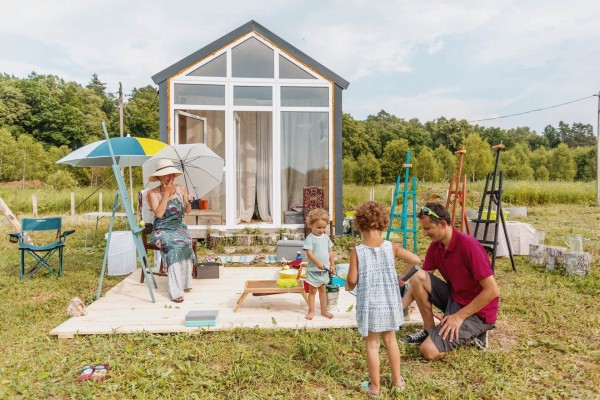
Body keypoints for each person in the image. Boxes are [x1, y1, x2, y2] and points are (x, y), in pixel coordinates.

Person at [401, 202, 500, 361]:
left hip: (478, 312)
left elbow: (492, 291)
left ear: (442, 224)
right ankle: (428, 330)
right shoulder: (436, 246)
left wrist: (459, 317)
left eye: (428, 229)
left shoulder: (470, 246)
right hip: (455, 299)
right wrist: (399, 307)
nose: (425, 234)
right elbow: (419, 281)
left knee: (428, 351)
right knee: (418, 275)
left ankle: (477, 335)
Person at [345, 201, 421, 397]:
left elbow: (352, 280)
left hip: (370, 306)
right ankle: (398, 382)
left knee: (372, 345)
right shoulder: (392, 248)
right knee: (391, 341)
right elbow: (416, 260)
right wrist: (402, 278)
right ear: (384, 224)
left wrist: (348, 286)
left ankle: (375, 387)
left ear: (359, 226)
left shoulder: (357, 251)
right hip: (390, 303)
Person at [147, 159, 195, 303]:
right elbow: (159, 214)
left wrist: (188, 201)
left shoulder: (181, 189)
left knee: (186, 243)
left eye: (172, 174)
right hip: (162, 230)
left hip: (179, 227)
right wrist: (167, 194)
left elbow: (187, 211)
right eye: (167, 175)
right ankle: (176, 292)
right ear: (159, 177)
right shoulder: (153, 193)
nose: (170, 177)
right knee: (174, 247)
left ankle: (185, 283)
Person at [303, 208, 336, 320]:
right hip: (314, 271)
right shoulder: (310, 238)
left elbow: (330, 252)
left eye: (323, 227)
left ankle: (323, 311)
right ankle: (311, 311)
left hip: (324, 270)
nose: (321, 230)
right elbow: (309, 253)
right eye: (318, 227)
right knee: (312, 291)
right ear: (311, 225)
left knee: (323, 290)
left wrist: (332, 265)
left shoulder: (326, 238)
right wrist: (317, 263)